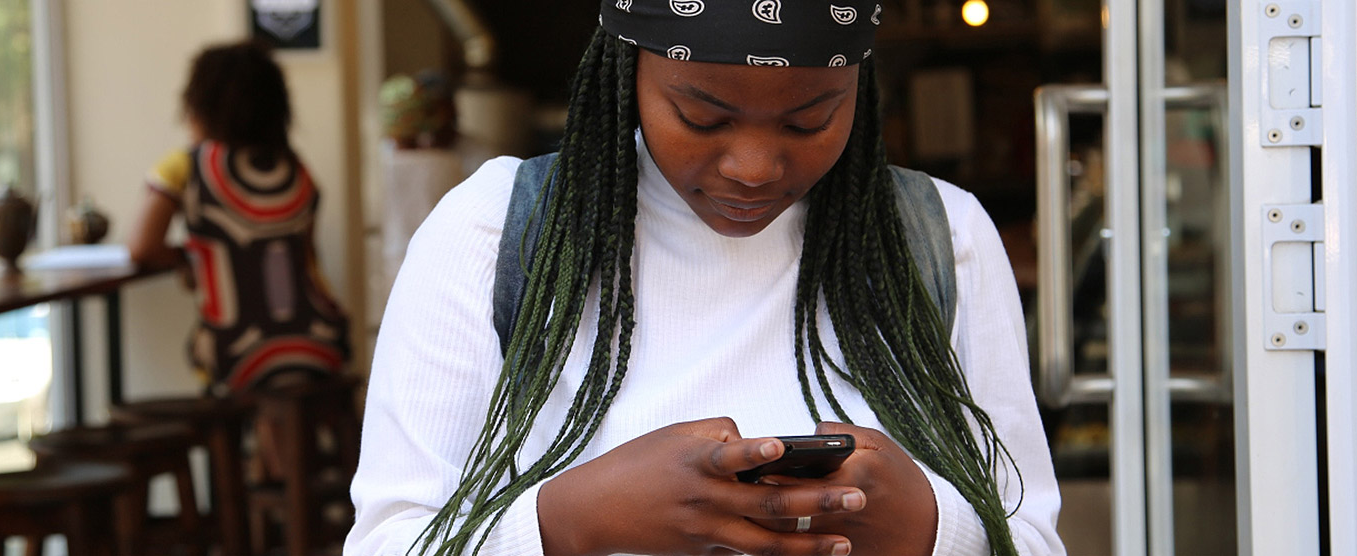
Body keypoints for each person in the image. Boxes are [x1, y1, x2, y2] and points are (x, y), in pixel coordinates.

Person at [346, 2, 1063, 555]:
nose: (753, 166)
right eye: (702, 116)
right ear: (627, 69)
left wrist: (930, 528)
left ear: (861, 88)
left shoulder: (941, 237)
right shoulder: (493, 231)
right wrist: (575, 517)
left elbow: (1033, 538)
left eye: (810, 120)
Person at [128, 40, 350, 396]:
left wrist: (194, 257)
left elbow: (141, 248)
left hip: (233, 349)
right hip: (319, 340)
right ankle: (274, 451)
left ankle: (243, 452)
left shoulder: (185, 164)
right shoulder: (295, 170)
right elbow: (306, 259)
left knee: (217, 361)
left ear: (199, 108)